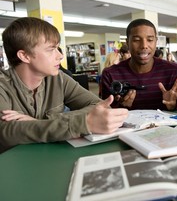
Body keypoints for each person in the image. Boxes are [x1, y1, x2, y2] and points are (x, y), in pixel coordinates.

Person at [0, 17, 128, 153]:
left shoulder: (58, 78)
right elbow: (6, 133)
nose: (60, 56)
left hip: (49, 156)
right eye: (51, 49)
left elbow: (99, 106)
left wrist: (41, 121)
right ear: (25, 56)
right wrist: (83, 124)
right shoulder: (3, 85)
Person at [100, 18, 177, 111]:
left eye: (150, 40)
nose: (144, 45)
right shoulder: (110, 74)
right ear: (127, 43)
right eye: (136, 40)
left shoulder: (173, 71)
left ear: (156, 41)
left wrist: (172, 106)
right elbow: (104, 113)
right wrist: (122, 107)